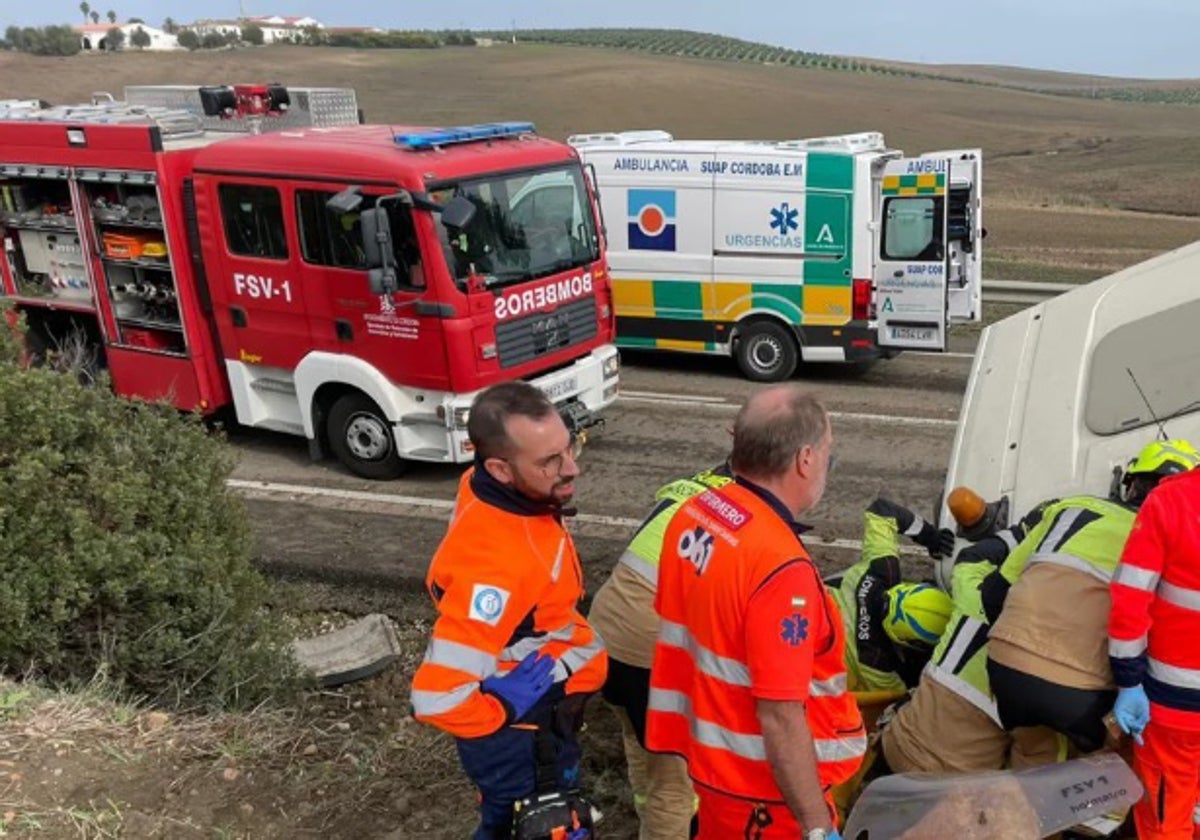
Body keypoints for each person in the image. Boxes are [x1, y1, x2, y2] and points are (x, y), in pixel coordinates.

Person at [647, 385, 865, 840]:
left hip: (714, 771)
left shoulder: (696, 512)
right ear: (805, 459)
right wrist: (817, 828)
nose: (827, 463)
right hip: (769, 797)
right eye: (827, 452)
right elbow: (781, 716)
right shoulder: (780, 568)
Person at [409, 382, 608, 840]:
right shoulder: (498, 568)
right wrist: (499, 705)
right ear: (499, 468)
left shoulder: (489, 489)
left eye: (568, 446)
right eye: (549, 462)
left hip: (533, 723)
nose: (571, 467)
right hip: (524, 738)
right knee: (518, 827)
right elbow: (436, 697)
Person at [981, 440, 1199, 762]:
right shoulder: (1166, 536)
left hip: (1004, 665)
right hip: (1081, 693)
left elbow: (993, 593)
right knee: (1110, 770)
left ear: (1129, 484)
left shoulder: (1070, 507)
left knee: (1035, 756)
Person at [588, 464, 733, 840]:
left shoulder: (694, 488)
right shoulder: (742, 514)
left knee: (640, 741)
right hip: (648, 647)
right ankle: (667, 828)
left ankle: (649, 815)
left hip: (606, 631)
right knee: (676, 781)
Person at [879, 498, 1062, 773]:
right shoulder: (1037, 677)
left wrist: (1024, 530)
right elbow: (1037, 766)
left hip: (896, 747)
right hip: (953, 790)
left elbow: (971, 560)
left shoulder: (972, 606)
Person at [1107, 440, 1200, 840]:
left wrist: (1128, 681)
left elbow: (1130, 597)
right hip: (1174, 706)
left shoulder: (1171, 501)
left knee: (1166, 819)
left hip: (1174, 708)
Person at [826, 497, 956, 695]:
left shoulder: (881, 571)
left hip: (806, 603)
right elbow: (902, 699)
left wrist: (930, 536)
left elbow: (881, 510)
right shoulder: (877, 667)